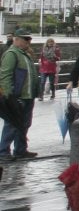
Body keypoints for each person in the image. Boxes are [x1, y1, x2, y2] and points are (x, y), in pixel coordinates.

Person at [0, 30, 39, 159]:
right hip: (17, 96)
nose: (28, 42)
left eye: (29, 39)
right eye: (25, 39)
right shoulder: (12, 54)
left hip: (28, 96)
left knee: (24, 124)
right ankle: (3, 151)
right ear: (16, 40)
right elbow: (5, 75)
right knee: (12, 124)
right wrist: (8, 95)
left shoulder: (24, 54)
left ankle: (21, 150)